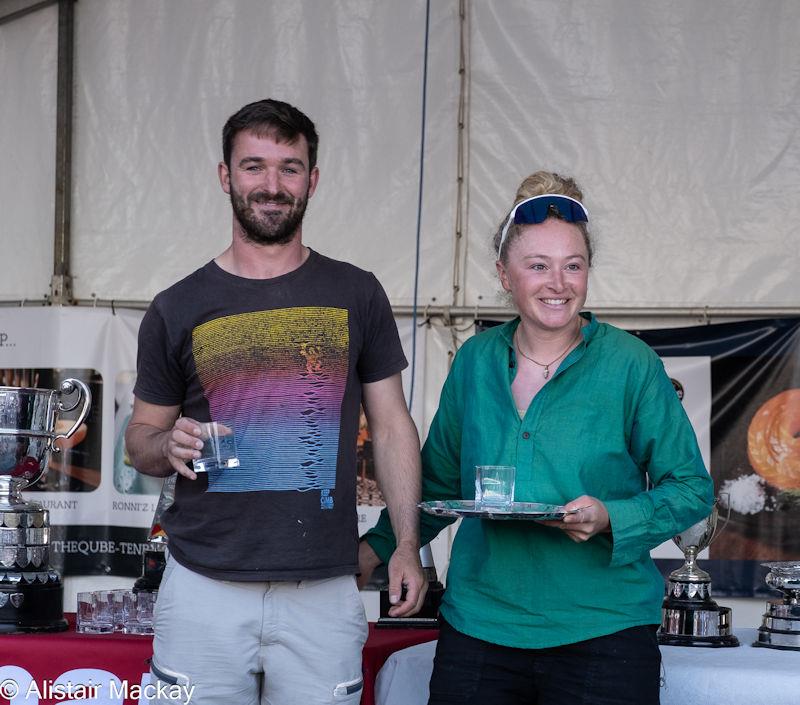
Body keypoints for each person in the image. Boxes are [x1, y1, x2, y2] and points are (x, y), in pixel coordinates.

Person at [359, 171, 715, 705]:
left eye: (574, 266)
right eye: (538, 266)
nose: (559, 282)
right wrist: (381, 547)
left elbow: (690, 488)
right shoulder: (476, 362)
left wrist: (611, 517)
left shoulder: (630, 363)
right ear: (505, 274)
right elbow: (435, 479)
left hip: (604, 631)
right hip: (479, 628)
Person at [125, 98, 426, 705]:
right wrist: (167, 442)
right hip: (202, 585)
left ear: (312, 180)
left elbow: (393, 427)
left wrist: (408, 547)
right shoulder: (176, 305)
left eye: (290, 168)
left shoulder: (357, 291)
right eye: (254, 166)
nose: (272, 185)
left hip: (323, 587)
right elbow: (140, 441)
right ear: (225, 176)